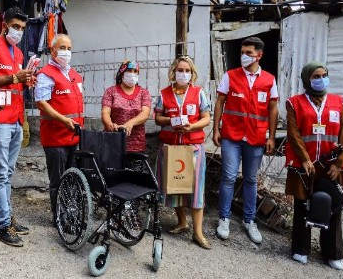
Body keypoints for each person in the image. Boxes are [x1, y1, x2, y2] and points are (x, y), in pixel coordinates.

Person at [284, 62, 343, 270]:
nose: (321, 78)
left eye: (324, 75)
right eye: (316, 75)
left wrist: (339, 164)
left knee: (332, 207)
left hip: (331, 166)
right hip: (306, 166)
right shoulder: (294, 103)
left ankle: (333, 253)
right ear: (306, 79)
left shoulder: (338, 102)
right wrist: (304, 158)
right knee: (302, 206)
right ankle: (300, 249)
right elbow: (293, 133)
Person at [212, 36, 279, 244]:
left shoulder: (269, 79)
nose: (244, 56)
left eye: (249, 53)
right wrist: (216, 129)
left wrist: (271, 137)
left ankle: (250, 220)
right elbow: (220, 102)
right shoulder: (230, 76)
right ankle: (224, 218)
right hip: (231, 136)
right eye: (242, 52)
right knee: (229, 177)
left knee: (250, 180)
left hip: (256, 137)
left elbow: (273, 109)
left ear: (259, 55)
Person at [0, 7, 33, 247]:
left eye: (22, 28)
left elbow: (16, 83)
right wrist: (15, 79)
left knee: (9, 174)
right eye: (15, 26)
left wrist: (26, 80)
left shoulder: (18, 52)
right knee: (0, 174)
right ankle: (2, 224)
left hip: (16, 119)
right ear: (4, 25)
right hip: (0, 119)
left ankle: (8, 216)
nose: (19, 31)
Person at [154, 56, 211, 249]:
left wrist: (192, 126)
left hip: (193, 148)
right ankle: (181, 222)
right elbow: (157, 117)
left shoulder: (198, 93)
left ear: (192, 73)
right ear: (173, 71)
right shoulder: (164, 94)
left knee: (196, 190)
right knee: (176, 187)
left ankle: (198, 232)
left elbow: (206, 118)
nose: (183, 73)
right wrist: (170, 121)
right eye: (180, 70)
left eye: (187, 70)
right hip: (171, 148)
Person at [34, 34, 84, 220]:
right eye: (62, 48)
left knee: (74, 178)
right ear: (52, 50)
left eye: (69, 49)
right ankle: (59, 217)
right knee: (58, 179)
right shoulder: (46, 74)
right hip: (56, 138)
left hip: (75, 137)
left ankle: (71, 213)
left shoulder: (74, 75)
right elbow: (42, 103)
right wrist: (64, 120)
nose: (66, 52)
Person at [101, 60, 151, 153]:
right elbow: (105, 112)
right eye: (129, 70)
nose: (132, 74)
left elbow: (145, 114)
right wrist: (110, 125)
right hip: (113, 142)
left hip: (136, 146)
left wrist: (130, 123)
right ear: (122, 73)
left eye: (135, 71)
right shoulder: (110, 92)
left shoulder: (144, 93)